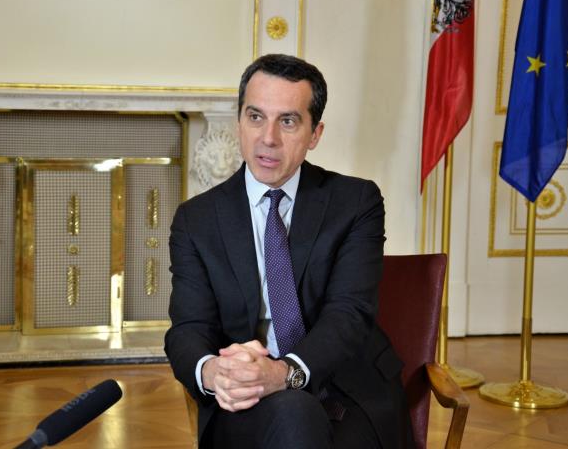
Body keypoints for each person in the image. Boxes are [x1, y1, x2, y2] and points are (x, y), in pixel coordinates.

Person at [165, 54, 413, 448]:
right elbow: (189, 329)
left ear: (315, 134)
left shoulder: (355, 202)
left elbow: (348, 313)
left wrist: (284, 373)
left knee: (301, 420)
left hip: (346, 388)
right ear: (239, 122)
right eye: (256, 117)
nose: (268, 138)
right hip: (247, 400)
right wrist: (213, 372)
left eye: (288, 121)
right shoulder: (196, 220)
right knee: (294, 416)